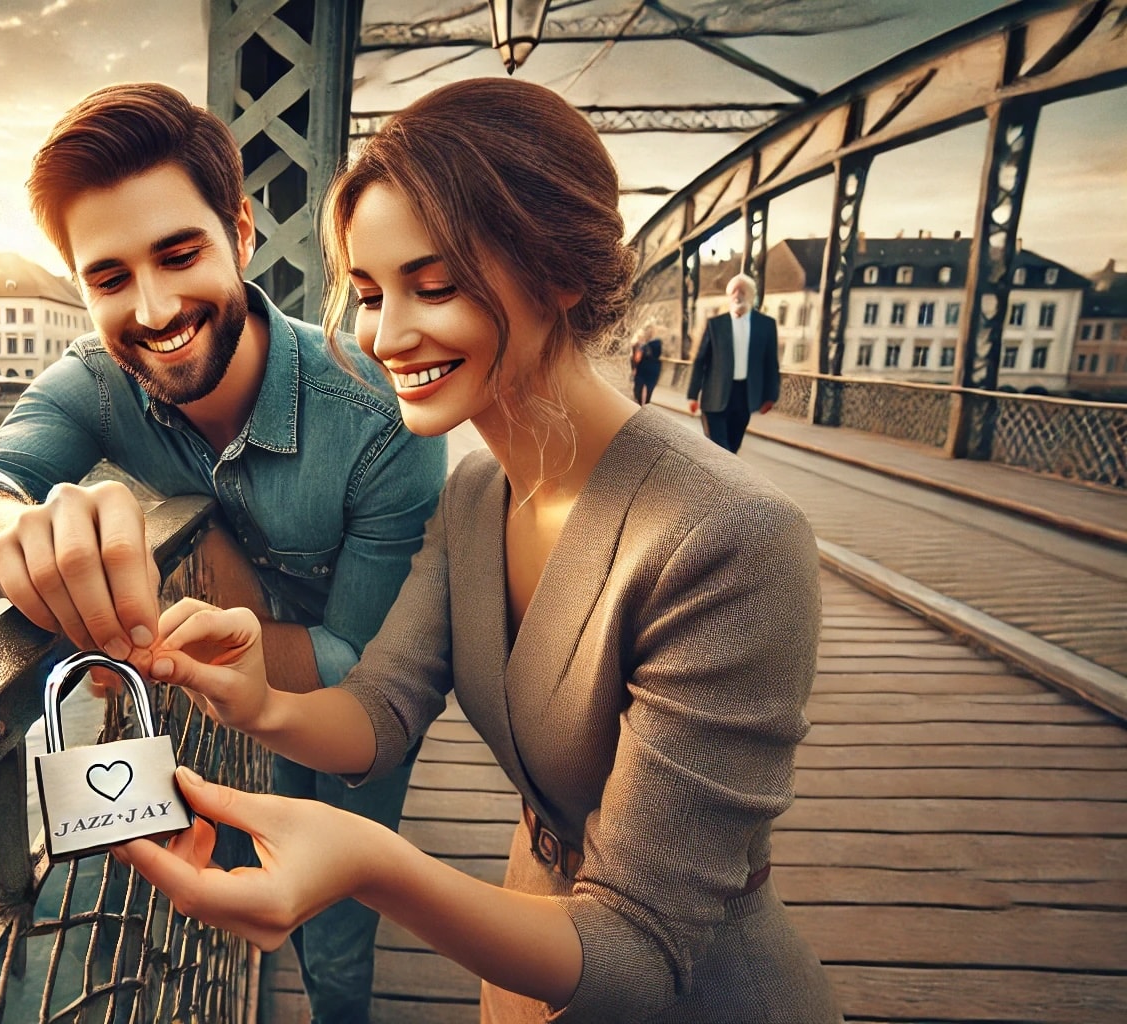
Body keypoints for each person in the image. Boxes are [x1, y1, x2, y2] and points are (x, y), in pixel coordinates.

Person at [117, 77, 841, 1023]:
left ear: (559, 276)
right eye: (370, 293)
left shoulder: (732, 539)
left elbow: (637, 954)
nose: (386, 335)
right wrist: (257, 697)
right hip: (520, 955)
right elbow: (381, 711)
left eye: (436, 285)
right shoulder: (473, 493)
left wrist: (371, 866)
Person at [0, 82, 447, 1023]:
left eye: (179, 254)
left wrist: (181, 646)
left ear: (239, 235)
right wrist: (14, 537)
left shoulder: (379, 413)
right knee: (236, 883)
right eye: (109, 278)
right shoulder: (93, 384)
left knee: (342, 915)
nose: (152, 309)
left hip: (356, 700)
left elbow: (358, 670)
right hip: (225, 696)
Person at [687, 274, 779, 452]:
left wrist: (770, 396)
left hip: (744, 397)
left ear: (751, 295)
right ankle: (717, 479)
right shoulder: (715, 325)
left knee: (733, 449)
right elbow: (701, 361)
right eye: (733, 291)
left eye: (742, 291)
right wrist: (692, 395)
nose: (738, 295)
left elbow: (771, 363)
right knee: (720, 449)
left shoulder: (766, 325)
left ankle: (720, 478)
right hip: (714, 397)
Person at [630, 322, 663, 406]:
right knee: (649, 391)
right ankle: (645, 405)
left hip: (643, 369)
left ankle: (639, 405)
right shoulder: (658, 343)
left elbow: (637, 358)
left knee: (638, 390)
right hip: (654, 369)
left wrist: (634, 368)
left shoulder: (642, 345)